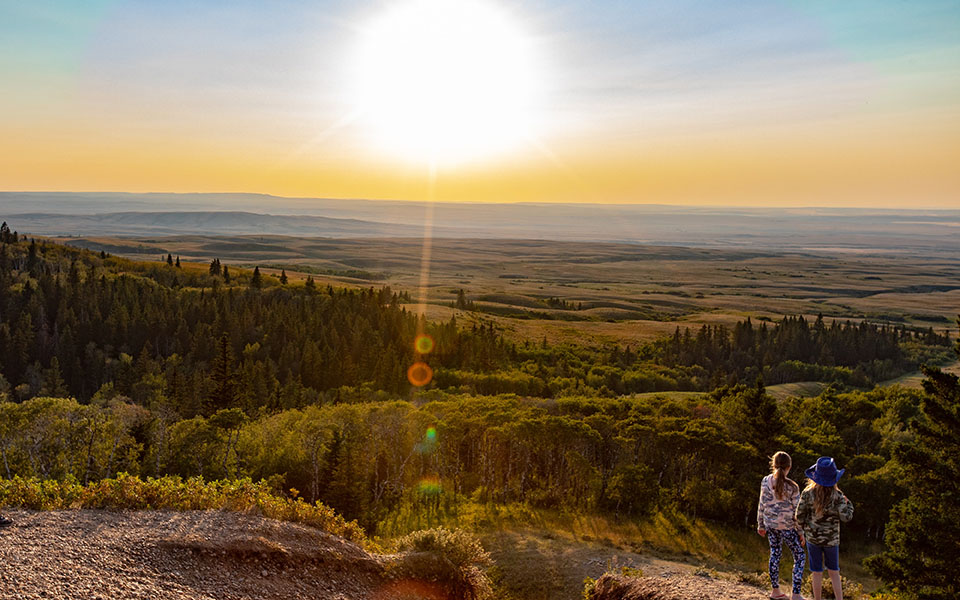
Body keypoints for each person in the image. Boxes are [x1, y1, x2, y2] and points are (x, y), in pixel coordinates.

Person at [796, 457, 854, 600]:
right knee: (834, 572)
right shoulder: (838, 496)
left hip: (813, 539)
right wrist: (849, 504)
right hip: (831, 540)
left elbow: (799, 516)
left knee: (816, 572)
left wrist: (804, 528)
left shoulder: (807, 493)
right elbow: (846, 517)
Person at [758, 451, 807, 600]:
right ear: (789, 467)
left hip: (771, 525)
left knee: (775, 553)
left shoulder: (765, 481)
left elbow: (762, 504)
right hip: (788, 527)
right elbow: (796, 513)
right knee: (799, 556)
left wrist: (760, 524)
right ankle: (796, 594)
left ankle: (775, 591)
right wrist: (801, 532)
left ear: (773, 465)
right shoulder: (793, 486)